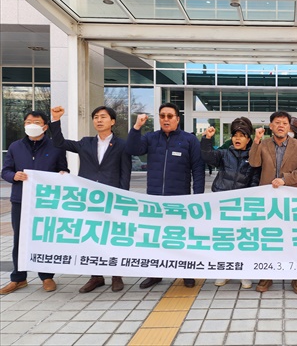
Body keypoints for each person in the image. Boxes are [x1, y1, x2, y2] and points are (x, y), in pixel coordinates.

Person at [49, 105, 132, 293]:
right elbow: (59, 143)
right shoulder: (85, 143)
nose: (99, 120)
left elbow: (125, 172)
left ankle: (116, 276)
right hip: (88, 198)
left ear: (112, 121)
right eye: (95, 117)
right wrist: (55, 119)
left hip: (112, 198)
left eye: (103, 117)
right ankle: (96, 277)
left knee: (112, 237)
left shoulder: (122, 145)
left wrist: (122, 196)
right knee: (91, 236)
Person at [126, 102, 205, 289]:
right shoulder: (151, 138)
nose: (166, 119)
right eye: (162, 116)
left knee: (181, 237)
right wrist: (137, 127)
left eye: (170, 116)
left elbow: (198, 169)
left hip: (180, 200)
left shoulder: (189, 140)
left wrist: (198, 197)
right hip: (154, 199)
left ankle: (186, 272)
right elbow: (132, 149)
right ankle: (156, 273)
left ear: (178, 118)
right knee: (156, 238)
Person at [0, 111, 69, 295]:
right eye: (28, 121)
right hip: (20, 200)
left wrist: (62, 175)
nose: (31, 124)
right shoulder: (15, 147)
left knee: (44, 238)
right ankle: (18, 278)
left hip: (45, 202)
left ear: (45, 126)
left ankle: (46, 276)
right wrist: (13, 176)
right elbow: (5, 170)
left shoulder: (56, 146)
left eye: (36, 121)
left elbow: (63, 169)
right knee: (19, 239)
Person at [249, 111, 297, 293]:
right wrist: (256, 140)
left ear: (289, 127)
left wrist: (285, 179)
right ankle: (267, 275)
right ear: (271, 126)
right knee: (269, 237)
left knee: (294, 237)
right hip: (268, 200)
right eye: (277, 123)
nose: (281, 126)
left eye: (284, 123)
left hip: (292, 199)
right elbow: (253, 163)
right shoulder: (264, 143)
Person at [201, 117, 260, 289]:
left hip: (243, 205)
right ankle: (224, 271)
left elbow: (255, 178)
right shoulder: (224, 153)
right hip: (222, 203)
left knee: (242, 240)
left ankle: (244, 272)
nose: (238, 138)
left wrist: (251, 197)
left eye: (242, 135)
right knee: (224, 239)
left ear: (248, 139)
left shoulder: (253, 157)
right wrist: (206, 139)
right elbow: (207, 156)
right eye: (235, 135)